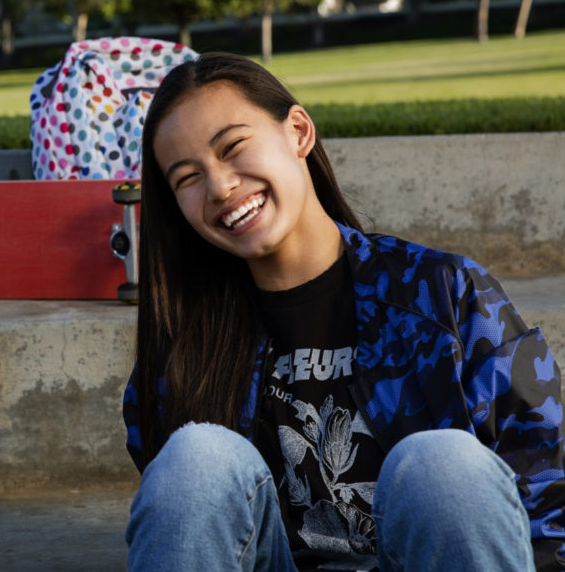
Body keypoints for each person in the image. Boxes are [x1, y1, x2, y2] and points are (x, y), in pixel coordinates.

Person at [122, 52, 565, 571]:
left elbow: (548, 506)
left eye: (234, 147)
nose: (220, 187)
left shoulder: (443, 293)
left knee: (439, 465)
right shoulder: (185, 345)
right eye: (188, 178)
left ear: (299, 132)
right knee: (193, 460)